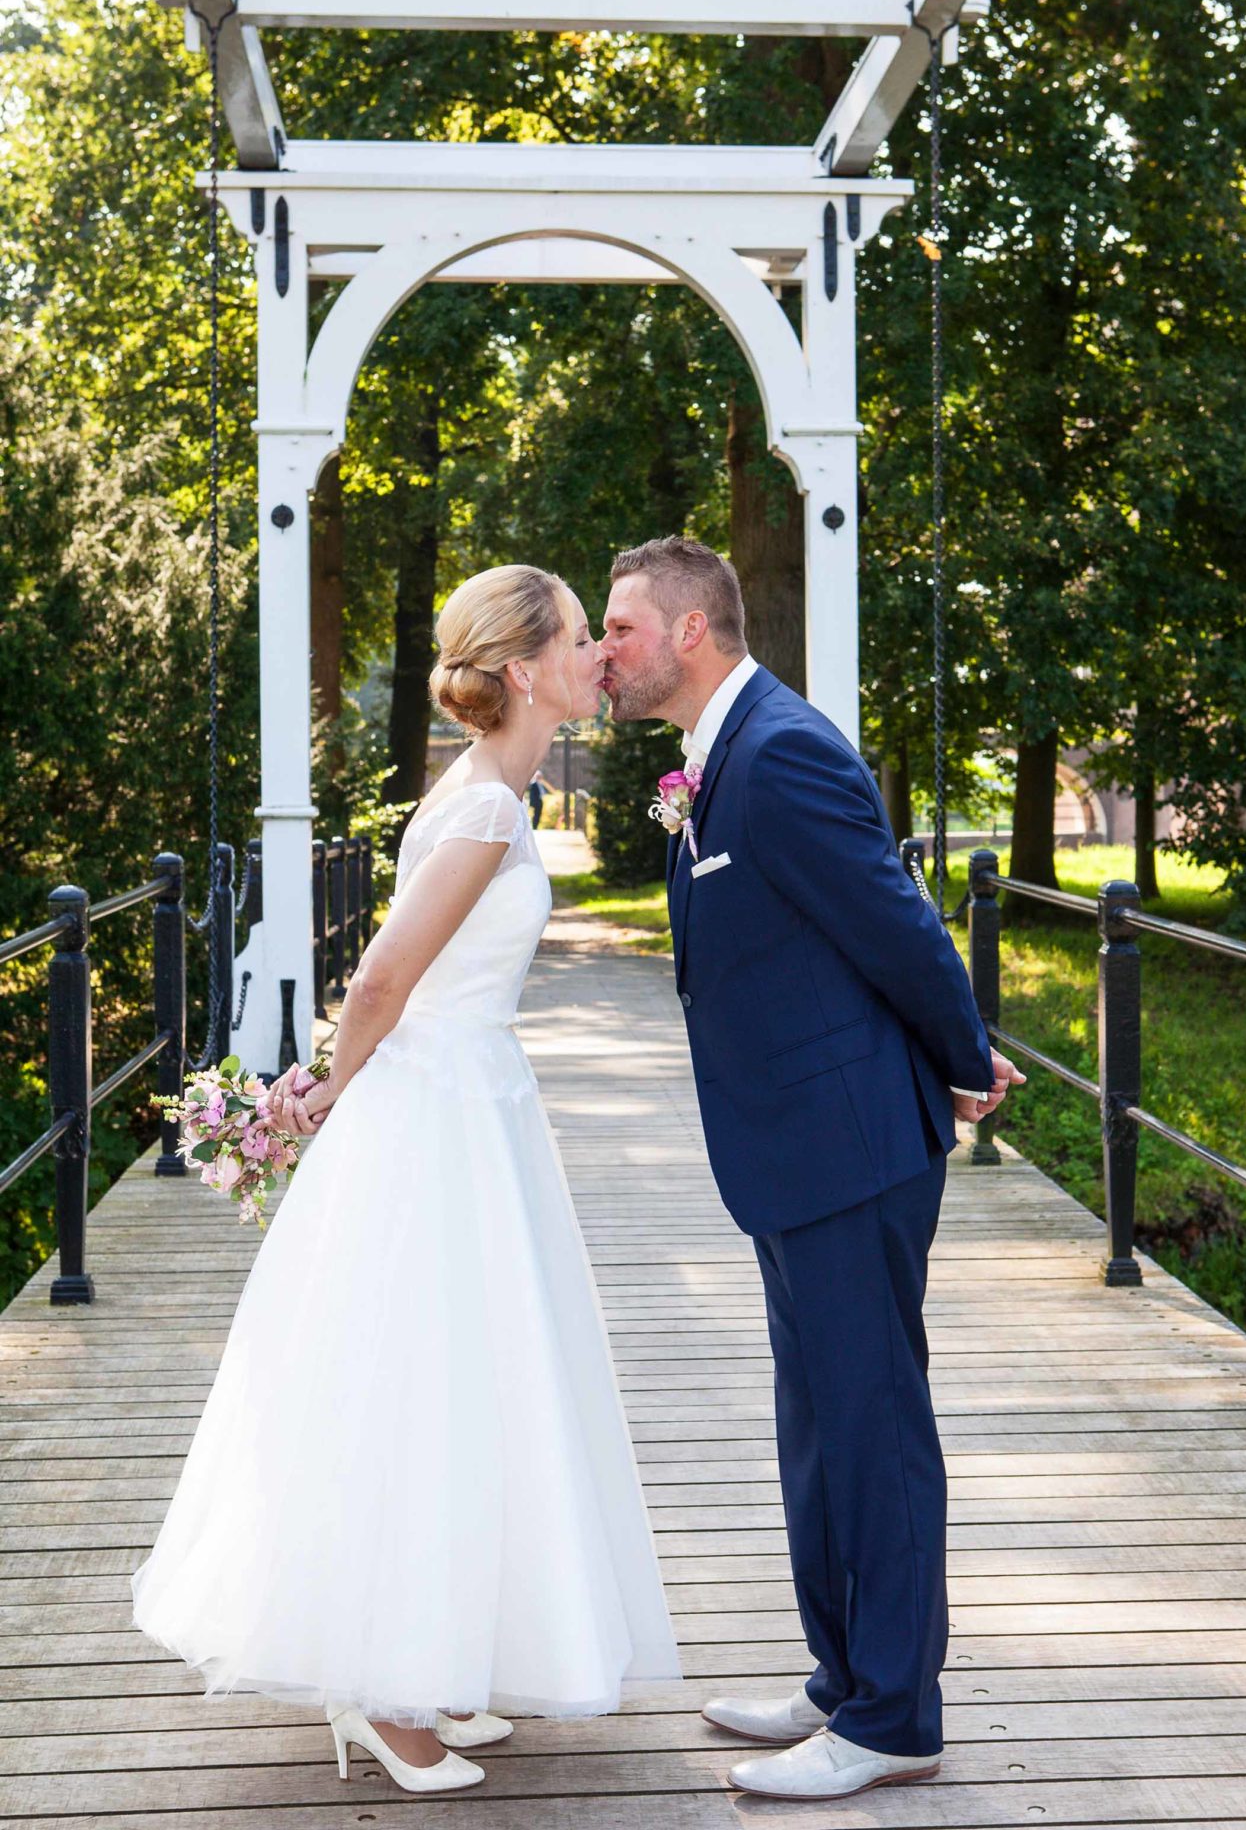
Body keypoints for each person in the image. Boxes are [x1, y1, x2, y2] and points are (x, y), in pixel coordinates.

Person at [130, 564, 680, 1796]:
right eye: (583, 638)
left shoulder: (498, 797)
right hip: (435, 1112)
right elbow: (380, 981)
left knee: (465, 1385)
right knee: (417, 1384)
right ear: (527, 669)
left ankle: (427, 1664)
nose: (599, 655)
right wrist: (321, 1087)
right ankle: (384, 1694)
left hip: (477, 1101)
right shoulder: (485, 812)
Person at [600, 535, 1026, 1803]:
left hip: (848, 1146)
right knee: (815, 1427)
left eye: (620, 627)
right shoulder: (715, 758)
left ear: (688, 633)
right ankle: (841, 1677)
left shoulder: (780, 751)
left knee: (871, 1424)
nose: (603, 653)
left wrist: (962, 1060)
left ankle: (894, 1717)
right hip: (793, 1148)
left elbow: (894, 921)